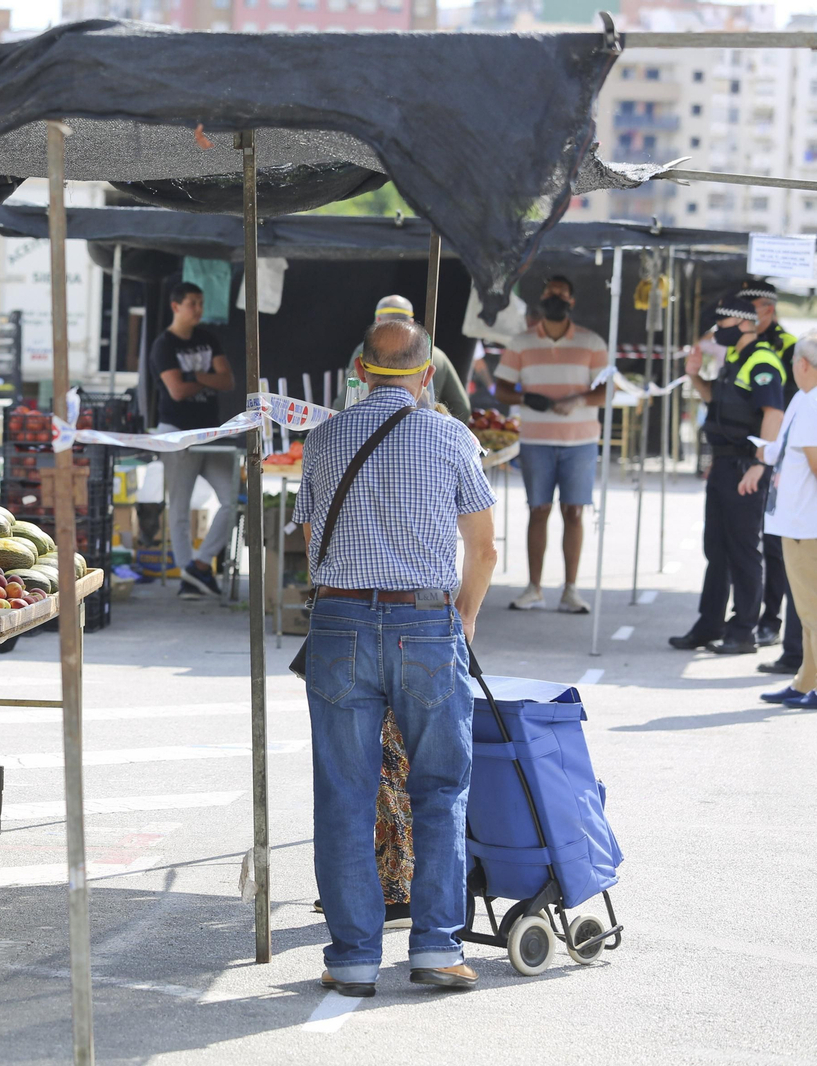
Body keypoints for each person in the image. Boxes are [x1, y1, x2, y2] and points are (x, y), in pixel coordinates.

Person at [293, 316, 498, 997]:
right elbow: (485, 549)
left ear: (358, 369)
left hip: (339, 622)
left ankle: (352, 957)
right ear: (426, 373)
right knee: (440, 789)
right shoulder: (451, 437)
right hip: (425, 622)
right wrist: (462, 620)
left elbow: (308, 538)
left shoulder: (321, 439)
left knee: (344, 795)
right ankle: (437, 948)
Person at [669, 296, 788, 654]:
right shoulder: (734, 359)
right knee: (716, 549)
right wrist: (694, 376)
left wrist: (760, 463)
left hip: (745, 469)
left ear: (742, 323)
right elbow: (715, 403)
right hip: (723, 466)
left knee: (743, 551)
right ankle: (709, 625)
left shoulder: (762, 361)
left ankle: (742, 632)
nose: (716, 332)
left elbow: (774, 414)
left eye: (721, 325)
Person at [493, 275, 608, 615]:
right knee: (538, 510)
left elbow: (607, 390)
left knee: (574, 512)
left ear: (572, 301)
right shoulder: (521, 342)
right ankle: (534, 587)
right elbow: (501, 389)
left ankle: (571, 589)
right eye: (549, 293)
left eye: (561, 293)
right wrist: (526, 397)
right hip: (536, 440)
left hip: (581, 441)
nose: (554, 297)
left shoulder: (592, 342)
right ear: (541, 299)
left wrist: (579, 399)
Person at [150, 281, 237, 600]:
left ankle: (199, 565)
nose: (199, 310)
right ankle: (188, 573)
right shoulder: (164, 345)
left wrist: (195, 378)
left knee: (233, 498)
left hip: (211, 432)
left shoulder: (207, 338)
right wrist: (204, 379)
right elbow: (176, 390)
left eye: (201, 303)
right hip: (177, 431)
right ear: (176, 306)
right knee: (180, 506)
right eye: (192, 304)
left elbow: (227, 380)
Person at [736, 280, 803, 666]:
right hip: (750, 451)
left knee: (777, 544)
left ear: (771, 308)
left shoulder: (792, 347)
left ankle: (772, 619)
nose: (753, 314)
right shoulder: (740, 346)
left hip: (784, 456)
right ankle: (754, 613)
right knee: (750, 541)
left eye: (758, 306)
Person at [758, 333, 817, 708]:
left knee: (812, 610)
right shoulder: (803, 399)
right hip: (795, 520)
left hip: (806, 524)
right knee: (806, 611)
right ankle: (804, 680)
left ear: (803, 364)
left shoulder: (812, 404)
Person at [335, 295, 470, 420]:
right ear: (411, 322)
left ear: (377, 320)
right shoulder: (437, 356)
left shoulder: (365, 351)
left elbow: (343, 405)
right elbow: (461, 407)